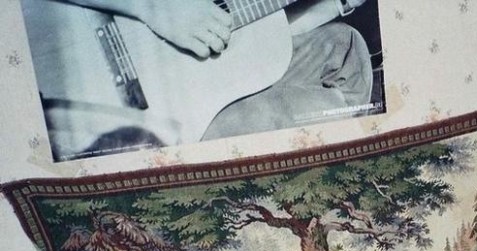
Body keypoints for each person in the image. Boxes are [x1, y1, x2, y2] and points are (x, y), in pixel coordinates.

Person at [42, 0, 373, 150]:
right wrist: (155, 8)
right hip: (83, 84)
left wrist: (336, 3)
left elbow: (246, 21)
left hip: (176, 87)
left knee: (344, 45)